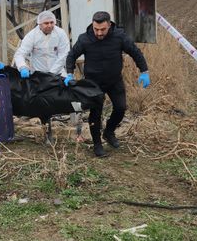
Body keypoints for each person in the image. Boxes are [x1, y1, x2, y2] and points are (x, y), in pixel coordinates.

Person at [65, 11, 150, 157]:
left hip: (114, 80)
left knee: (121, 108)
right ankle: (97, 144)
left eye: (102, 29)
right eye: (96, 29)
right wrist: (69, 73)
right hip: (93, 83)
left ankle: (109, 132)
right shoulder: (84, 39)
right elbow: (72, 55)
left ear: (109, 25)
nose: (98, 33)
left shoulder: (119, 36)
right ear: (92, 25)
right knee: (95, 114)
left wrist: (144, 71)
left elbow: (135, 52)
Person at [13, 10, 76, 142]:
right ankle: (48, 132)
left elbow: (64, 54)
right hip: (39, 74)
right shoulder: (32, 36)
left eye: (51, 22)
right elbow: (20, 54)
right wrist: (23, 67)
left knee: (71, 94)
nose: (49, 25)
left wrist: (52, 73)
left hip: (57, 71)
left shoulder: (60, 33)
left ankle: (75, 126)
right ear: (39, 24)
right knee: (43, 104)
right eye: (46, 23)